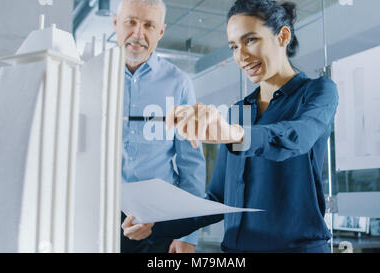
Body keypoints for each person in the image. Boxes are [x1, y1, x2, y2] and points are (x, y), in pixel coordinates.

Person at [122, 0, 339, 253]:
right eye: (234, 46)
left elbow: (296, 137)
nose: (241, 56)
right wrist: (155, 225)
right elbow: (217, 200)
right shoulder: (239, 111)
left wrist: (233, 133)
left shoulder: (317, 92)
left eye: (251, 41)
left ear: (283, 36)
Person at [113, 0, 206, 253]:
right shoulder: (90, 75)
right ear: (115, 23)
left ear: (161, 32)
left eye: (149, 25)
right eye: (131, 22)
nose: (138, 34)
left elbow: (192, 164)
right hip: (99, 217)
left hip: (160, 223)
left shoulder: (179, 83)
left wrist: (189, 233)